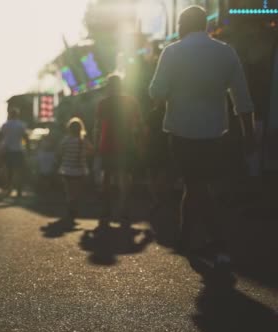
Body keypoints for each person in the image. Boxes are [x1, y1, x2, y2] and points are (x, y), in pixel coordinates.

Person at [149, 5, 255, 269]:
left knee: (195, 185)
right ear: (206, 25)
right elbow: (242, 98)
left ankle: (218, 243)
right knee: (198, 184)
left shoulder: (172, 52)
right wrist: (248, 133)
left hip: (181, 131)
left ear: (182, 26)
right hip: (214, 133)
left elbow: (156, 92)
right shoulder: (226, 52)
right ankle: (186, 239)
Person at [94, 75, 146, 225]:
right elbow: (139, 125)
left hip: (107, 144)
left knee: (107, 177)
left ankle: (106, 209)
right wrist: (140, 143)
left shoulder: (103, 103)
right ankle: (123, 209)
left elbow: (97, 126)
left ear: (109, 86)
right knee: (124, 177)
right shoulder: (130, 101)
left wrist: (96, 144)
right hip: (126, 144)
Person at [58, 117, 94, 222]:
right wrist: (84, 154)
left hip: (66, 169)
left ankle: (70, 208)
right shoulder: (83, 141)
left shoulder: (66, 140)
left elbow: (60, 151)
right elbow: (92, 150)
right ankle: (75, 208)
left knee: (69, 191)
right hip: (79, 170)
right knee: (77, 191)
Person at [0, 108, 30, 198]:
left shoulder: (5, 125)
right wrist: (28, 149)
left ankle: (9, 189)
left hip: (7, 151)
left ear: (9, 114)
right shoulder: (21, 125)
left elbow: (0, 137)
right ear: (17, 115)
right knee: (19, 171)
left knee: (9, 171)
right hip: (18, 150)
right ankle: (19, 190)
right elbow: (26, 138)